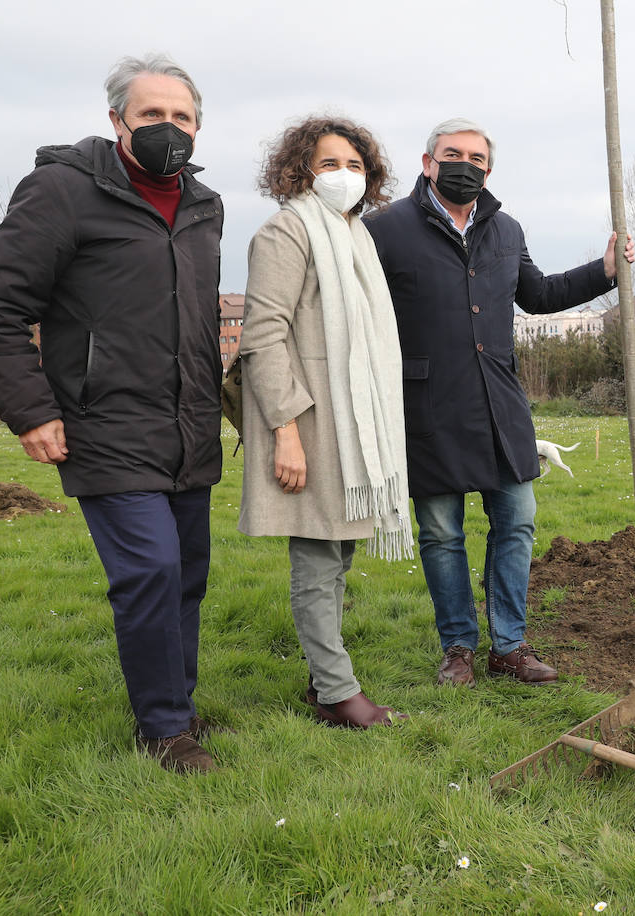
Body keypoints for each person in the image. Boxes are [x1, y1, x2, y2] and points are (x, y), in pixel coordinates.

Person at [0, 55, 224, 772]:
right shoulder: (62, 191)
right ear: (117, 121)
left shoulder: (205, 205)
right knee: (150, 571)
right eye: (151, 114)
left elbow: (197, 318)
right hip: (102, 422)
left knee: (186, 575)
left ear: (198, 127)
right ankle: (163, 729)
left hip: (189, 425)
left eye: (182, 116)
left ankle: (177, 705)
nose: (168, 127)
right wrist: (29, 411)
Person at [365, 118, 635, 687]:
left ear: (489, 171)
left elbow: (539, 294)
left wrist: (605, 271)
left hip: (498, 403)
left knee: (516, 521)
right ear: (428, 163)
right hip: (427, 405)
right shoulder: (385, 229)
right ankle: (458, 647)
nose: (465, 166)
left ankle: (509, 645)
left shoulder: (505, 230)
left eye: (477, 159)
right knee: (441, 532)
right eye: (452, 155)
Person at [238, 117, 412, 729]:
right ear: (301, 171)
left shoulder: (355, 236)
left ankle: (322, 683)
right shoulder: (287, 231)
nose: (344, 176)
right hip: (310, 425)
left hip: (352, 426)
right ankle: (338, 692)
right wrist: (285, 430)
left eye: (355, 166)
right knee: (317, 560)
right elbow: (262, 336)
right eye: (329, 164)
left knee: (338, 556)